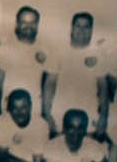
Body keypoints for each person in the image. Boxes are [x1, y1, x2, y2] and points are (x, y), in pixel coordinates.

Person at [40, 10, 110, 138]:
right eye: (78, 26)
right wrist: (47, 114)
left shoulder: (99, 54)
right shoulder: (58, 51)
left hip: (89, 117)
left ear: (91, 30)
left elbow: (103, 89)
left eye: (86, 27)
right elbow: (49, 84)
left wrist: (104, 117)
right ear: (72, 28)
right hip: (60, 116)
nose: (82, 30)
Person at [0, 4, 50, 116]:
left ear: (37, 25)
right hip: (9, 110)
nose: (28, 26)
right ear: (17, 24)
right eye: (24, 22)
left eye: (32, 23)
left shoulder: (45, 49)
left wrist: (46, 112)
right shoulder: (5, 47)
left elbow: (48, 85)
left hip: (35, 111)